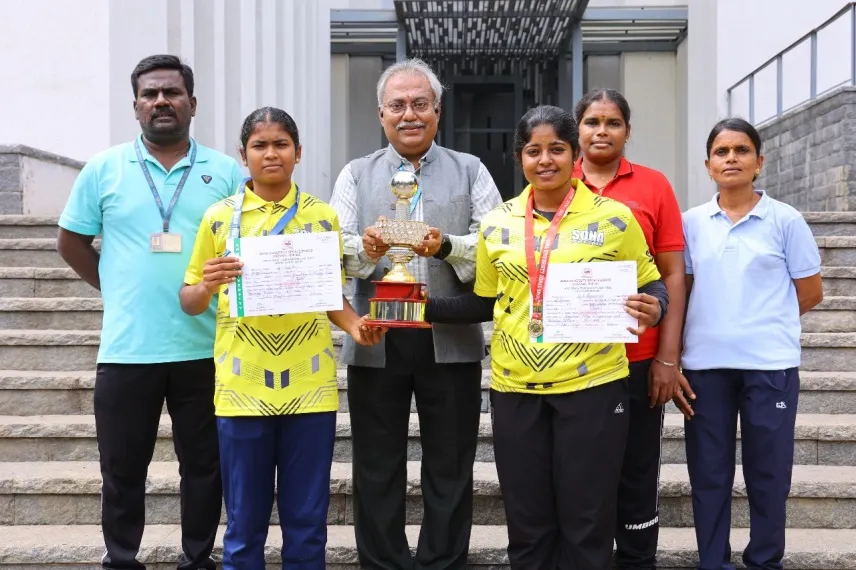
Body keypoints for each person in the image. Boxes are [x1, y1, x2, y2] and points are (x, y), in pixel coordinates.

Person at [426, 105, 669, 570]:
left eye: (557, 149)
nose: (545, 160)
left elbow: (653, 281)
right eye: (533, 151)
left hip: (594, 388)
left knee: (588, 521)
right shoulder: (498, 222)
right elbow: (484, 302)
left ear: (574, 154)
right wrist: (418, 307)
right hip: (516, 390)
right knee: (528, 524)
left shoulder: (615, 217)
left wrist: (656, 306)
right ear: (519, 158)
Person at [56, 54, 245, 570]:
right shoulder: (104, 168)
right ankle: (121, 559)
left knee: (205, 467)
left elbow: (244, 244)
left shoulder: (226, 171)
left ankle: (197, 559)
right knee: (121, 468)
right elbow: (70, 240)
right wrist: (111, 286)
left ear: (192, 103)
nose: (161, 101)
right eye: (150, 94)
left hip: (205, 348)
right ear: (136, 106)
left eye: (172, 92)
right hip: (127, 348)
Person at [180, 107, 386, 568]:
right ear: (243, 155)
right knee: (243, 524)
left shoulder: (321, 217)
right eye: (260, 145)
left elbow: (329, 294)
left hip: (309, 389)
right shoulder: (219, 219)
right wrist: (208, 283)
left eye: (280, 144)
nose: (270, 153)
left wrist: (356, 325)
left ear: (298, 153)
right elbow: (189, 299)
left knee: (307, 523)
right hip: (241, 388)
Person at [328, 58, 503, 569]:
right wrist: (369, 248)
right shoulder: (355, 173)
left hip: (447, 334)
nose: (410, 114)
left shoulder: (471, 169)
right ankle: (382, 562)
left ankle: (442, 561)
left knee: (450, 464)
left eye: (420, 104)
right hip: (375, 334)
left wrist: (446, 245)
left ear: (438, 111)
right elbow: (338, 248)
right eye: (398, 105)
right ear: (381, 114)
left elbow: (494, 243)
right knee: (377, 464)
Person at [680, 118, 823, 570]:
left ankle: (765, 560)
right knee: (709, 474)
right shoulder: (691, 224)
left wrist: (765, 321)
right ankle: (712, 561)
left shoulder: (786, 220)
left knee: (768, 474)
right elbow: (681, 288)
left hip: (770, 366)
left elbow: (811, 290)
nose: (731, 159)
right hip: (704, 366)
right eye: (722, 152)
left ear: (759, 162)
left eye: (741, 151)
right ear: (708, 165)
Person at [572, 88, 692, 569]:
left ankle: (639, 560)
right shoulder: (556, 182)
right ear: (576, 129)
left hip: (638, 358)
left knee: (638, 472)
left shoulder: (654, 186)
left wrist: (667, 358)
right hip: (572, 363)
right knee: (583, 475)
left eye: (613, 122)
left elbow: (673, 276)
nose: (601, 131)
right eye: (592, 122)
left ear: (627, 130)